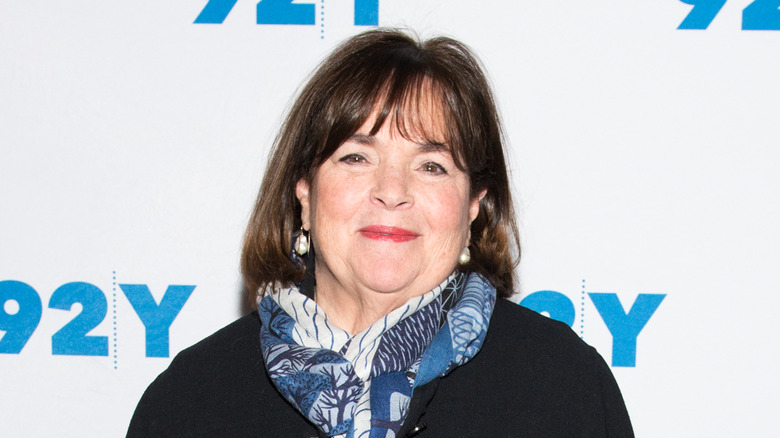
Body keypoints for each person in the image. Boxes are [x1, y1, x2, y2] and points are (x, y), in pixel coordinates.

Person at [127, 29, 634, 437]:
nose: (392, 191)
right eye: (355, 157)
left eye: (432, 166)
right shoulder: (191, 400)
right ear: (304, 191)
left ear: (475, 205)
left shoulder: (564, 387)